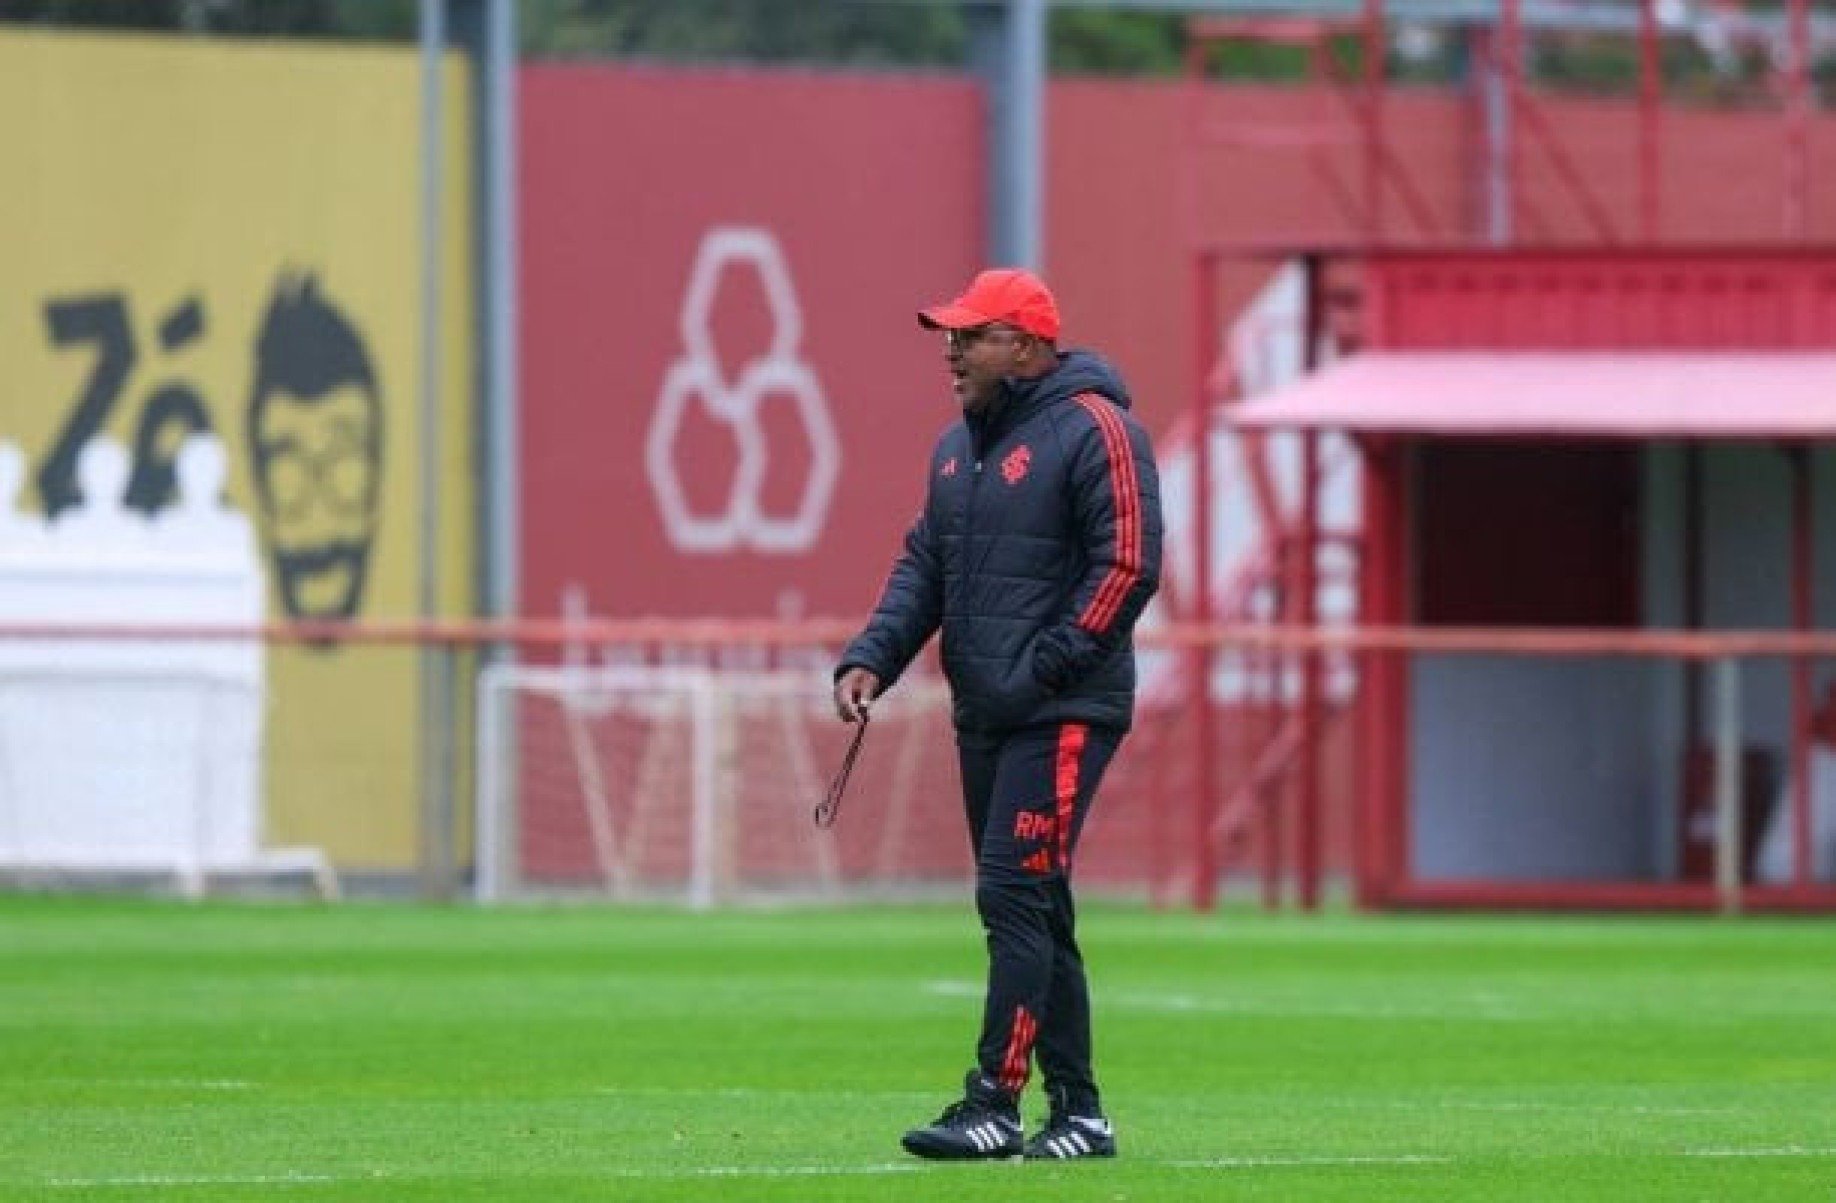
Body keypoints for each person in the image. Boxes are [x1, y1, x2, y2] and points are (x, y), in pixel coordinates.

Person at [832, 268, 1162, 1161]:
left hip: (1062, 712)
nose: (951, 348)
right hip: (987, 709)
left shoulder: (1098, 428)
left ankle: (994, 1102)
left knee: (1011, 893)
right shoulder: (957, 450)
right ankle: (1082, 1115)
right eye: (950, 332)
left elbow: (1128, 563)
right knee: (1037, 905)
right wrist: (873, 655)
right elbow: (924, 567)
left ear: (1025, 344)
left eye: (971, 334)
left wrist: (1043, 667)